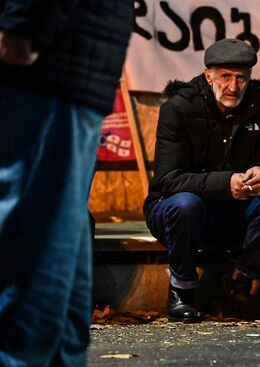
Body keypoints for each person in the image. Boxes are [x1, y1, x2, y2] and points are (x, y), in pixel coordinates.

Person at [0, 0, 133, 365]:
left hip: (40, 64)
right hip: (64, 62)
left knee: (28, 245)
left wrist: (20, 28)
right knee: (55, 233)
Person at [144, 38, 260, 322]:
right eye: (225, 77)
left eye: (241, 78)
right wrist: (226, 183)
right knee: (186, 204)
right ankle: (181, 291)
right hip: (175, 210)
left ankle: (242, 284)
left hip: (232, 213)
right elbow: (168, 180)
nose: (233, 87)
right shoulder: (178, 108)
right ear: (208, 75)